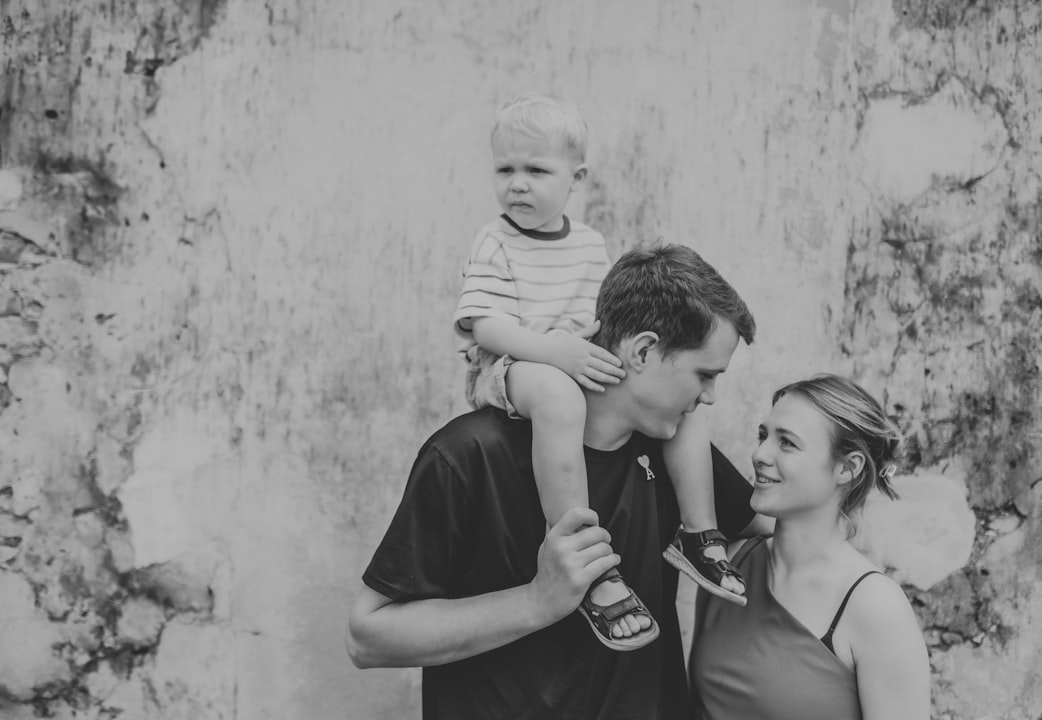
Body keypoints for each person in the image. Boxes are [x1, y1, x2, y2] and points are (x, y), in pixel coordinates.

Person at [348, 243, 766, 719]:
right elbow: (367, 637)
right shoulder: (468, 454)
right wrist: (537, 602)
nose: (710, 397)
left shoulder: (677, 457)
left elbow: (784, 532)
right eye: (704, 374)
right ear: (644, 351)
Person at [453, 94, 747, 652]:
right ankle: (587, 559)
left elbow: (604, 318)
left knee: (681, 403)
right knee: (561, 399)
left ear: (575, 177)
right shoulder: (495, 240)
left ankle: (698, 534)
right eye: (505, 169)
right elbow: (483, 324)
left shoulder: (588, 244)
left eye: (536, 170)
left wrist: (595, 352)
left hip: (570, 355)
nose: (517, 184)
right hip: (511, 367)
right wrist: (553, 352)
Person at [688, 374, 931, 720]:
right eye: (763, 435)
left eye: (787, 443)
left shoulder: (875, 608)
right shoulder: (729, 563)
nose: (759, 454)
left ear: (847, 468)